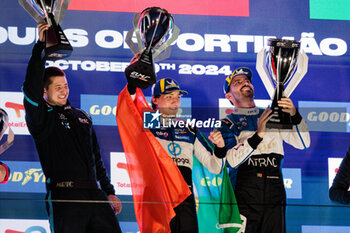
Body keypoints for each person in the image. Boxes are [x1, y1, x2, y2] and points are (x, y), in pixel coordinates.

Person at [22, 22, 122, 233]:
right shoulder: (40, 117)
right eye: (57, 87)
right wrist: (40, 47)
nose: (63, 91)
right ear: (44, 92)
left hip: (95, 195)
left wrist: (109, 191)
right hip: (63, 196)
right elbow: (30, 88)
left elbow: (96, 158)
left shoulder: (82, 116)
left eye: (65, 85)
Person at [121, 53, 226, 233]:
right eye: (169, 97)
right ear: (155, 100)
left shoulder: (188, 129)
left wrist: (220, 147)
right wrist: (133, 80)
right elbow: (129, 108)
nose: (175, 102)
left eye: (177, 97)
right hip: (158, 195)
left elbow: (214, 166)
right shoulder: (148, 122)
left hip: (184, 196)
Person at [218, 67, 310, 233]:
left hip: (275, 189)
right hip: (244, 190)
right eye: (238, 82)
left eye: (247, 81)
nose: (245, 83)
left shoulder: (270, 113)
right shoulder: (227, 123)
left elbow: (303, 143)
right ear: (229, 96)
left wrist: (295, 115)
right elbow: (230, 161)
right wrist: (258, 135)